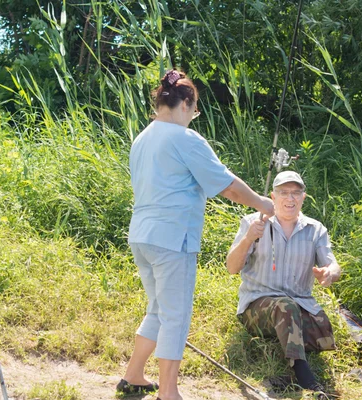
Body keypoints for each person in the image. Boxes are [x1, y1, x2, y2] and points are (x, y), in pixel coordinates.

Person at [117, 69, 275, 400]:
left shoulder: (142, 137)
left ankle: (133, 375)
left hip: (141, 236)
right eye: (195, 110)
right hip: (172, 240)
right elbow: (227, 186)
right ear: (186, 104)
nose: (193, 117)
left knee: (158, 309)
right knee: (175, 316)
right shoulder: (184, 138)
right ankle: (169, 392)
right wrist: (262, 202)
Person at [226, 170, 341, 395]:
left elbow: (334, 265)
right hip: (256, 306)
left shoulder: (315, 229)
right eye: (284, 193)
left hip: (298, 305)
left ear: (303, 198)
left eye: (296, 193)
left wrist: (329, 273)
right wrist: (249, 238)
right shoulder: (254, 222)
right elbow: (231, 268)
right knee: (285, 307)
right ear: (273, 196)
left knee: (324, 333)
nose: (290, 199)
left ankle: (286, 346)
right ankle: (304, 377)